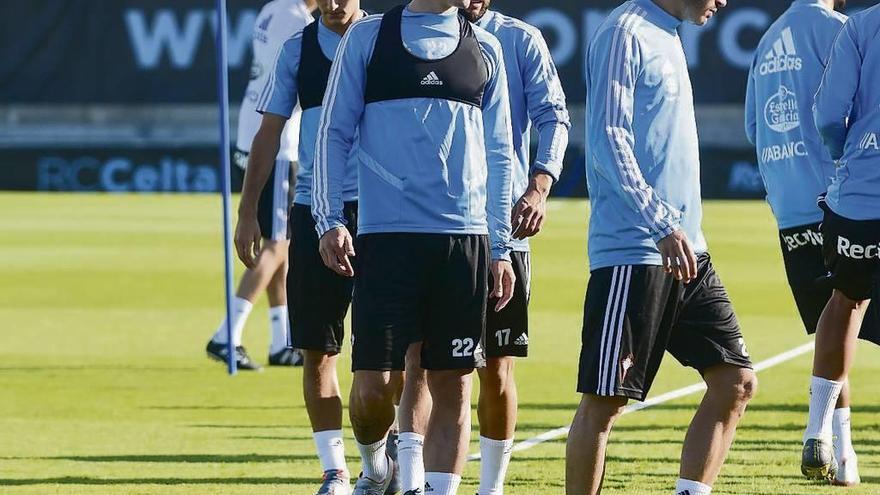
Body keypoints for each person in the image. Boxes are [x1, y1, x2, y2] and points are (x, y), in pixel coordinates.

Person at [311, 0, 516, 492]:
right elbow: (332, 133)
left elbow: (500, 151)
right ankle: (376, 464)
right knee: (373, 390)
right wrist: (329, 219)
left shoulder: (485, 47)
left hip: (463, 240)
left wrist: (500, 246)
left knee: (453, 381)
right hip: (386, 240)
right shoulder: (368, 40)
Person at [565, 1, 758, 494]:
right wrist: (660, 224)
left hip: (688, 250)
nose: (723, 3)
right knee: (605, 403)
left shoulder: (668, 32)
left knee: (735, 383)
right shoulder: (625, 32)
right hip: (637, 251)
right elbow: (608, 138)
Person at [235, 0, 386, 493]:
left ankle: (384, 457)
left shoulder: (389, 40)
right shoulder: (298, 50)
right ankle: (335, 471)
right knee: (317, 351)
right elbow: (270, 132)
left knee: (391, 356)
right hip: (312, 211)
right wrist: (247, 211)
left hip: (384, 214)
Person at [744, 0, 879, 486]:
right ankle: (843, 457)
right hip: (841, 193)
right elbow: (835, 115)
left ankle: (842, 456)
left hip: (798, 205)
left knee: (837, 317)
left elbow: (753, 127)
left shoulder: (768, 37)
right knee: (852, 315)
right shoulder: (840, 27)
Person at [206, 0, 314, 370]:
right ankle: (227, 333)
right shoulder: (298, 20)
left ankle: (280, 339)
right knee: (277, 245)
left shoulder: (273, 9)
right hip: (278, 143)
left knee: (279, 243)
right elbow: (298, 80)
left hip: (248, 132)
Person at [801, 4, 880, 483]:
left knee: (846, 302)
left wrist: (846, 155)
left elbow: (829, 113)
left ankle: (818, 432)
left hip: (859, 196)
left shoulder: (862, 25)